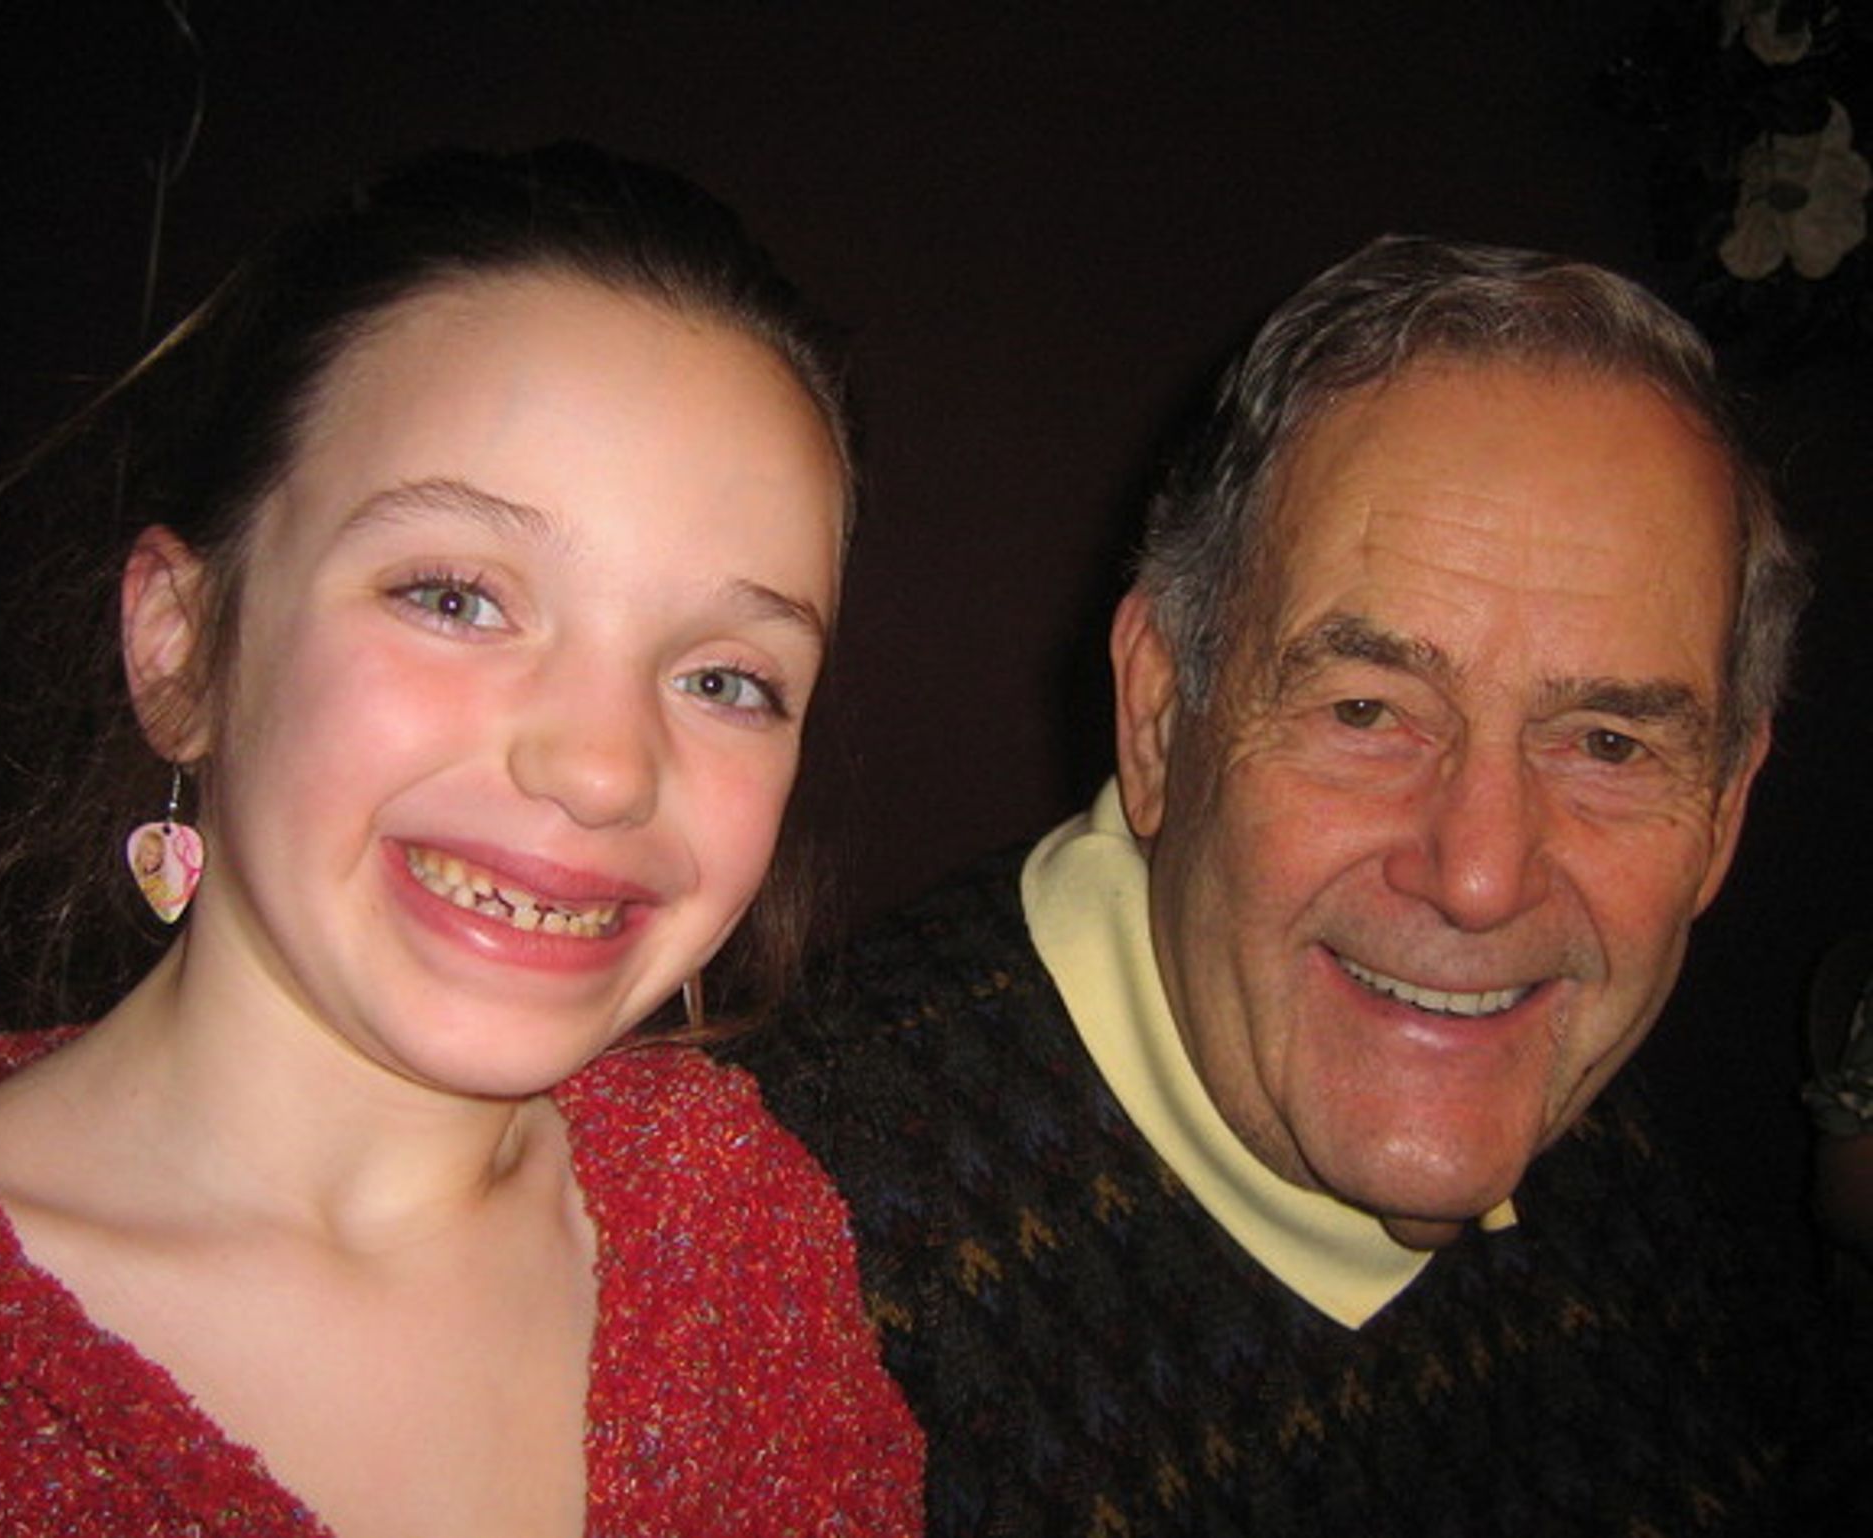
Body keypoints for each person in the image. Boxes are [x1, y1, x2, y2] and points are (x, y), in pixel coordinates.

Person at [0, 145, 921, 1536]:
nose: (602, 769)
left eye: (726, 678)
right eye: (457, 598)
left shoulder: (735, 1230)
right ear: (182, 646)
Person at [730, 235, 1867, 1534]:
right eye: (1366, 709)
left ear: (1723, 809)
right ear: (1161, 716)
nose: (1482, 878)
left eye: (1607, 744)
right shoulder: (764, 1273)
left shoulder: (1606, 1137)